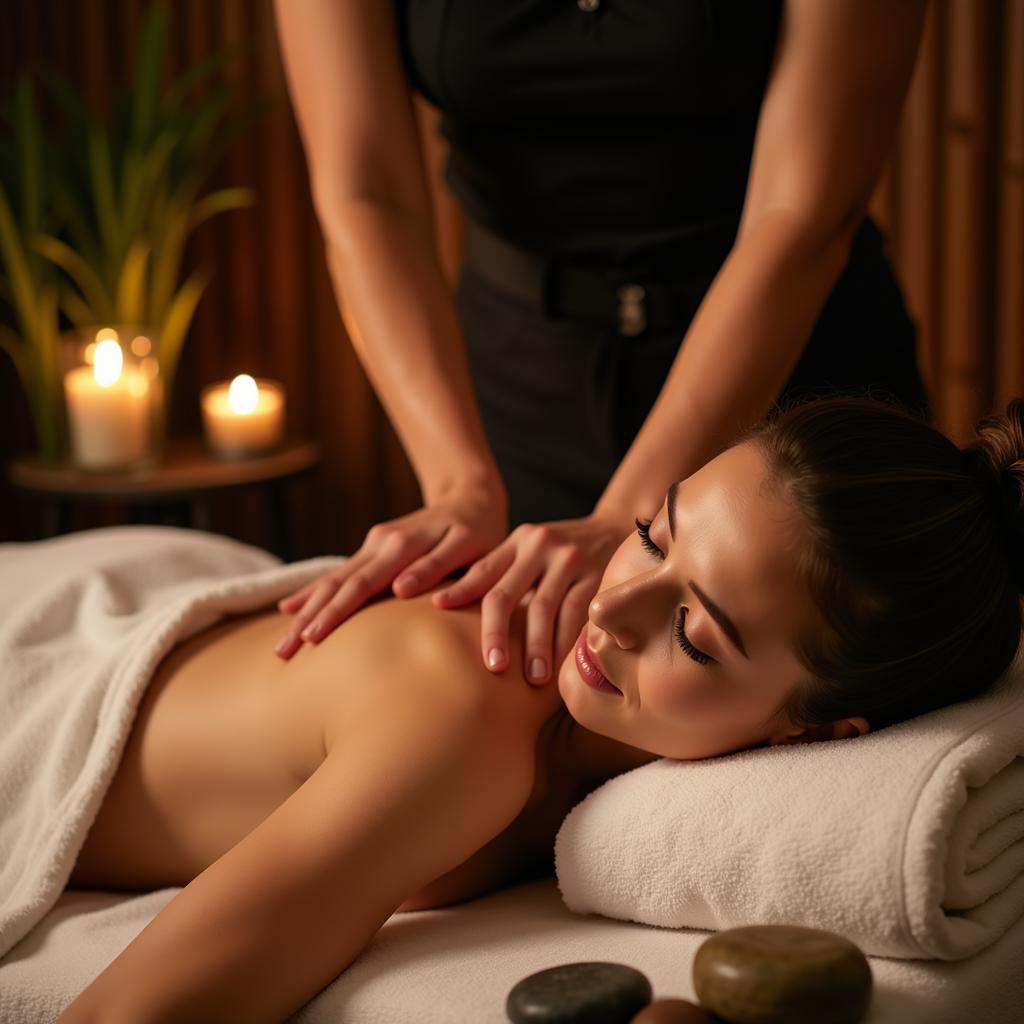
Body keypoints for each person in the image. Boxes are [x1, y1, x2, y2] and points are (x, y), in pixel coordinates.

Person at [57, 396, 1023, 1023]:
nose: (607, 607)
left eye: (695, 634)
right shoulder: (464, 726)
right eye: (651, 534)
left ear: (814, 734)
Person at [270, 0, 932, 688]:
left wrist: (631, 520)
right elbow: (364, 195)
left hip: (785, 400)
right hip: (509, 389)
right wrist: (457, 483)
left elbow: (801, 214)